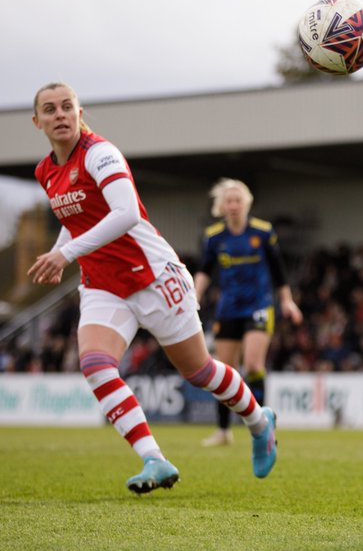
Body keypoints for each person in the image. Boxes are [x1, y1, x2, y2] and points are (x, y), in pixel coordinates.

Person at [27, 82, 277, 493]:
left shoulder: (100, 154)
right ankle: (154, 459)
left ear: (79, 111)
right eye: (50, 110)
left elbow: (125, 214)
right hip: (103, 285)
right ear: (37, 121)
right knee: (95, 364)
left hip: (152, 276)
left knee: (199, 371)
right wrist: (60, 253)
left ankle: (258, 421)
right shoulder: (45, 171)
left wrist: (65, 255)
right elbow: (76, 221)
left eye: (66, 107)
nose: (60, 115)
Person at [195, 178, 302, 447]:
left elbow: (279, 271)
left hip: (259, 305)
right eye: (228, 201)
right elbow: (205, 271)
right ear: (221, 206)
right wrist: (194, 297)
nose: (233, 205)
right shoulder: (214, 237)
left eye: (238, 200)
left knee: (254, 365)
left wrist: (287, 301)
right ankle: (223, 431)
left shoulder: (263, 232)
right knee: (225, 371)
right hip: (228, 308)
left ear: (246, 204)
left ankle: (262, 427)